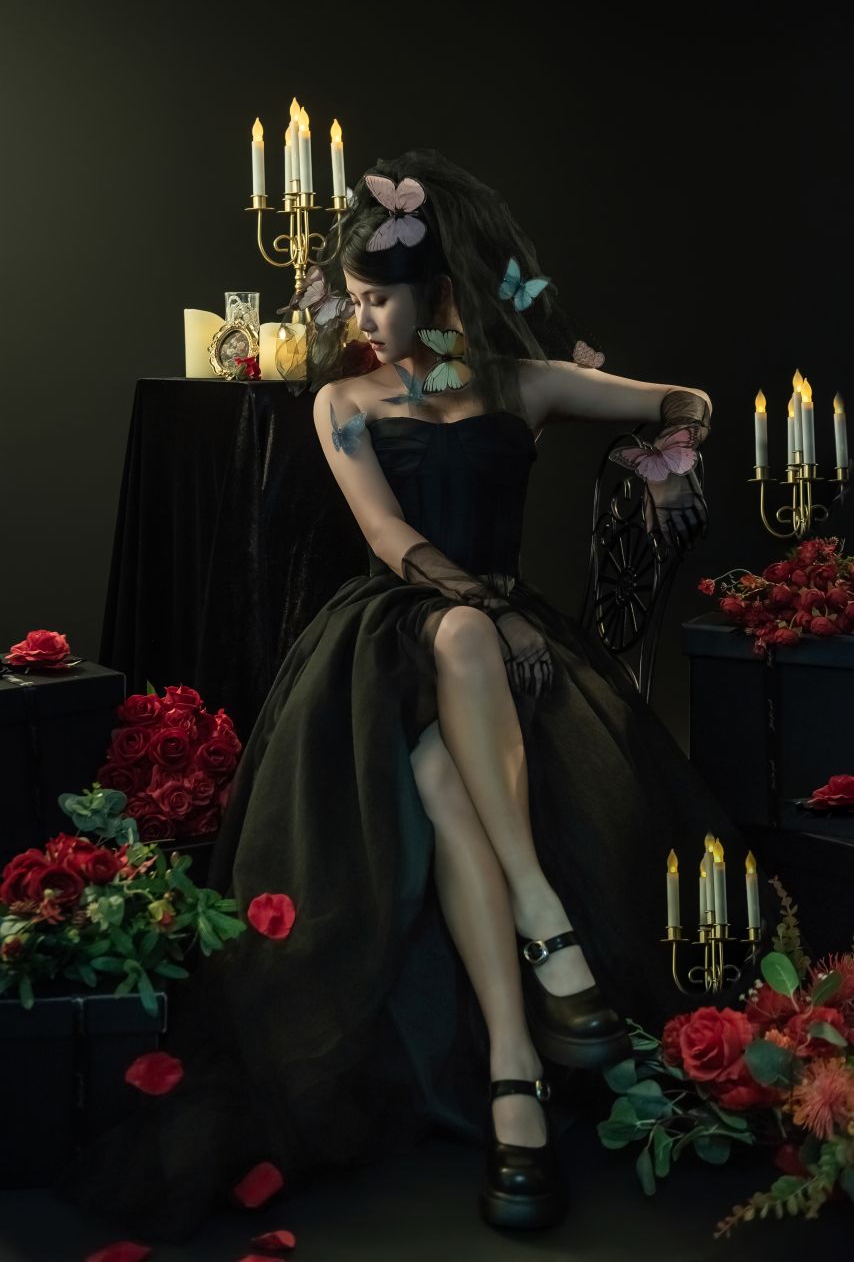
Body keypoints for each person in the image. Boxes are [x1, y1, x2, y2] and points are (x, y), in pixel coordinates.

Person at [57, 149, 777, 1240]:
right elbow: (388, 534)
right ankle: (543, 923)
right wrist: (488, 609)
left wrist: (670, 449)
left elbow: (691, 398)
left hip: (501, 657)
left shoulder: (521, 382)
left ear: (437, 294)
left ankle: (512, 1073)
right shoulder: (343, 400)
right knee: (461, 634)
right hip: (392, 632)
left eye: (380, 300)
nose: (363, 320)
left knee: (442, 770)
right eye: (351, 300)